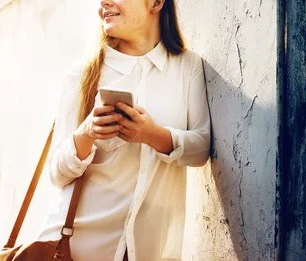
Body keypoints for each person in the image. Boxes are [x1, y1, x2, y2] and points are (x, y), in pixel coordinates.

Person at [37, 0, 211, 260]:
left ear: (156, 2)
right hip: (77, 250)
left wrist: (152, 135)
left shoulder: (188, 67)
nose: (104, 2)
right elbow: (56, 175)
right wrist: (87, 134)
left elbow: (202, 149)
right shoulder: (83, 74)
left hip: (152, 250)